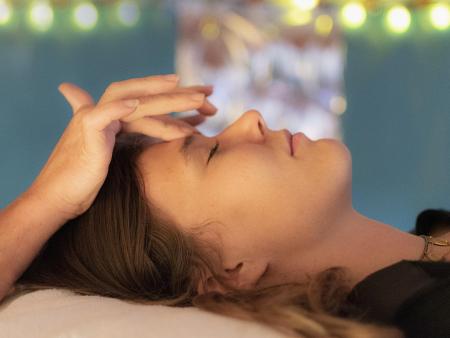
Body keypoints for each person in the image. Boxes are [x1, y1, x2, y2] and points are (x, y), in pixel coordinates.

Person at [1, 74, 449, 338]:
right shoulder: (429, 314)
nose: (249, 120)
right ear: (226, 273)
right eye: (212, 154)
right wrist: (45, 201)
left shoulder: (431, 240)